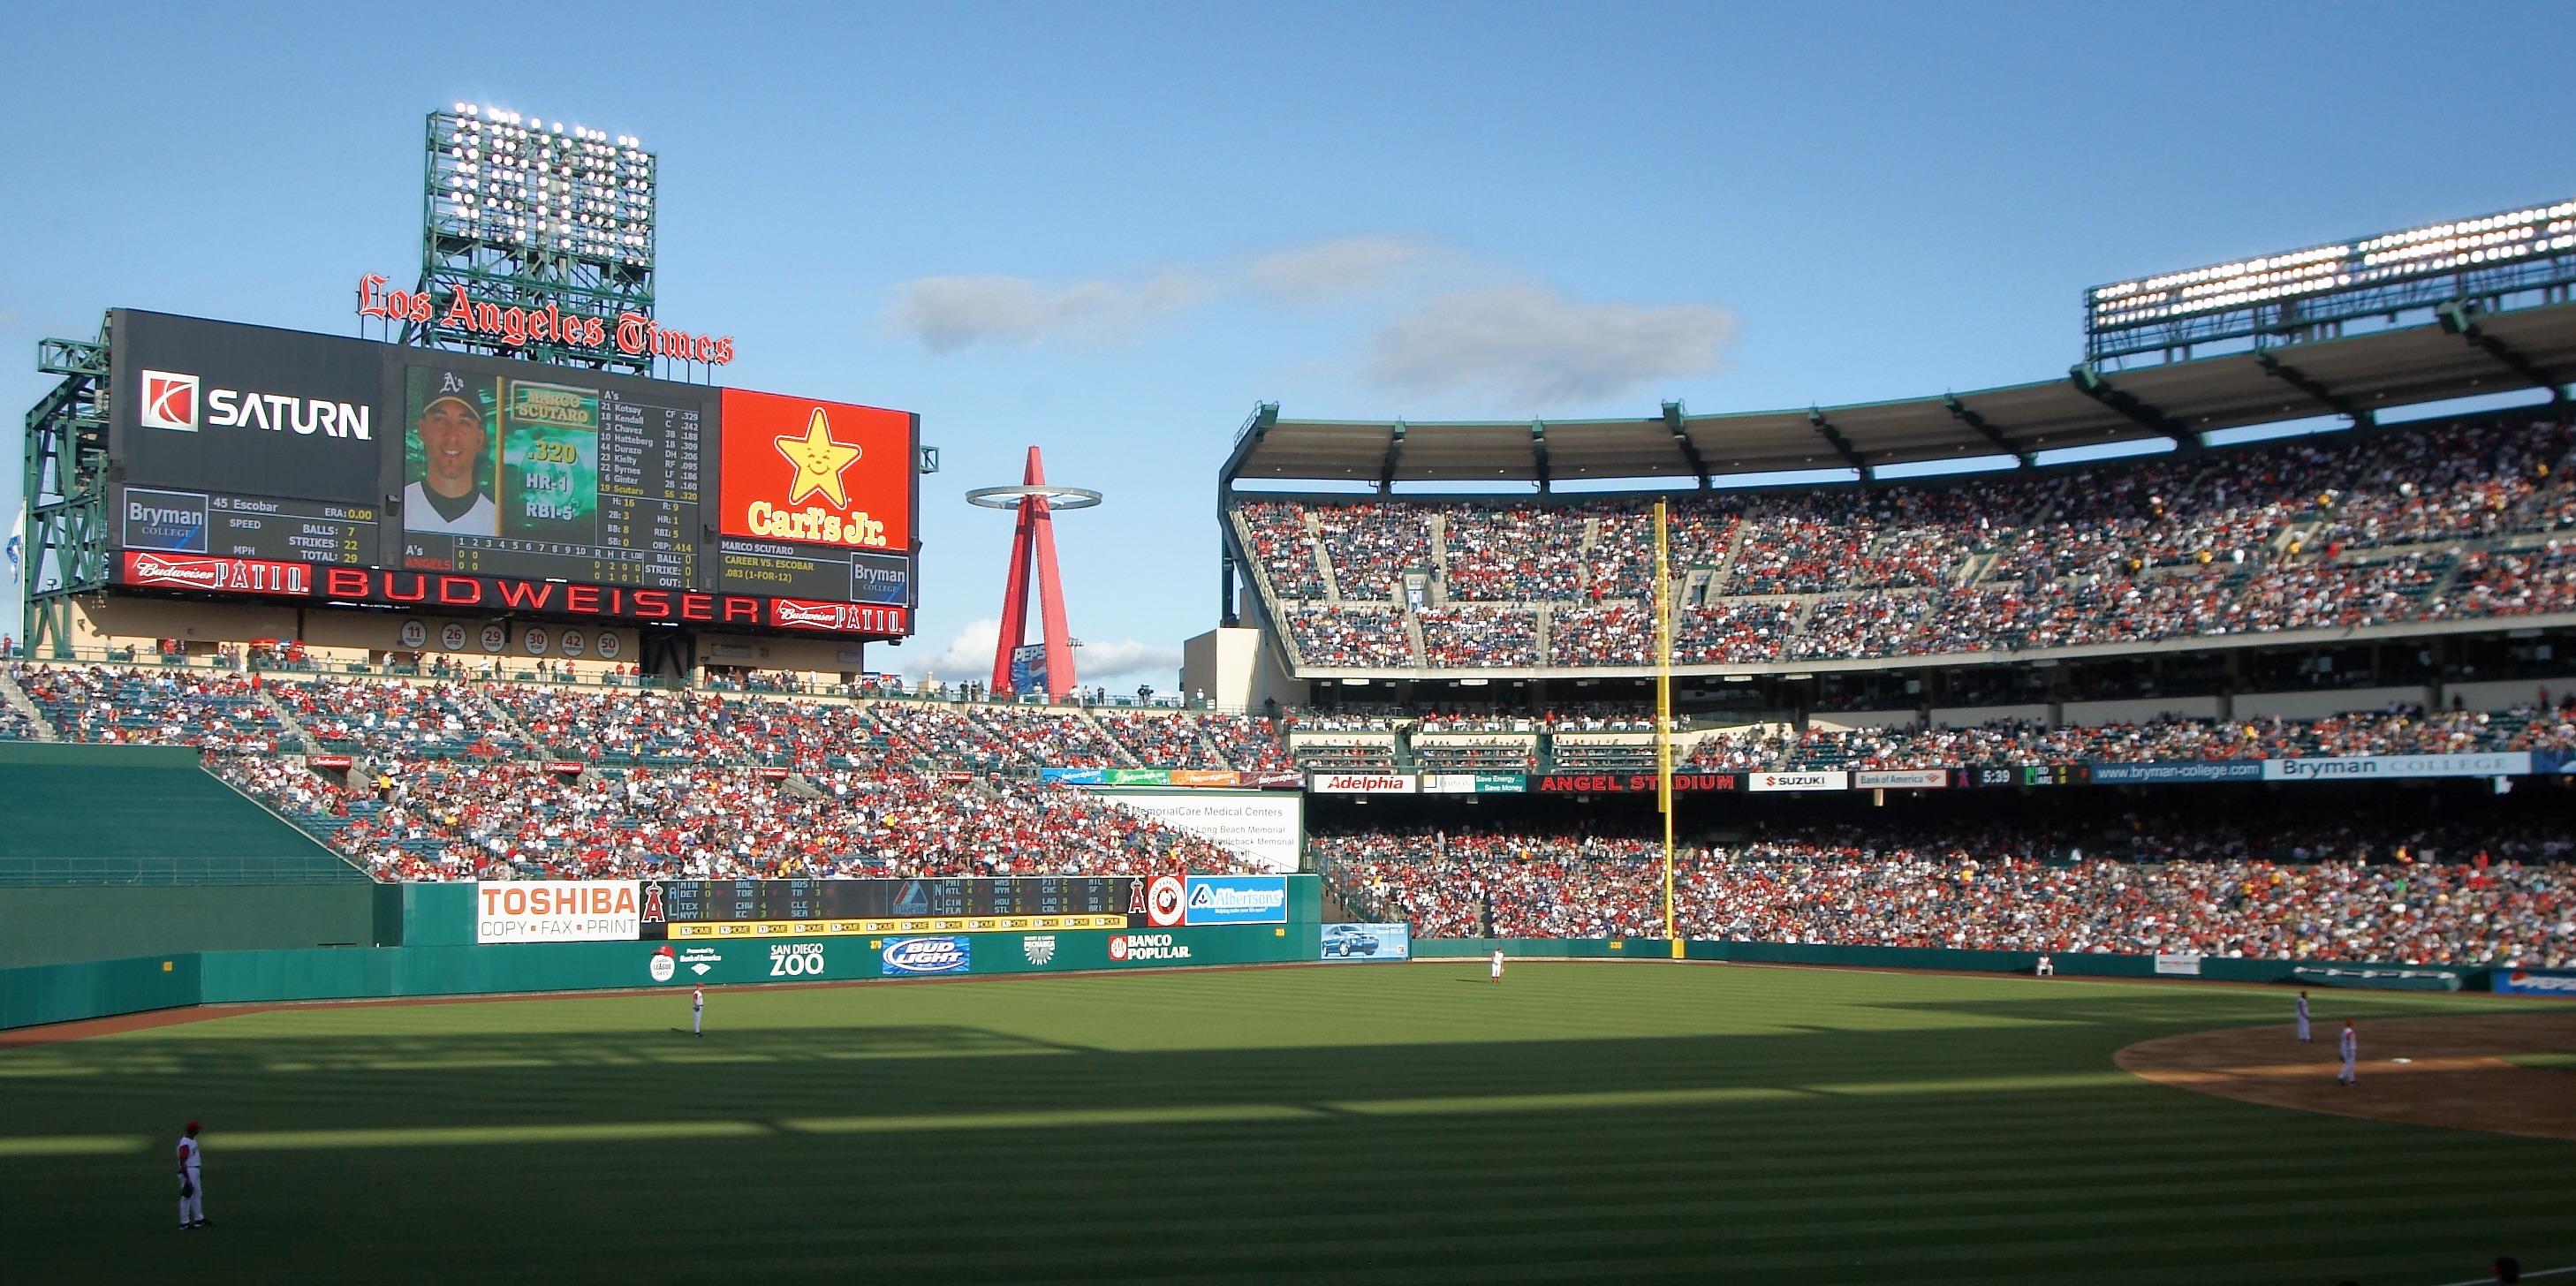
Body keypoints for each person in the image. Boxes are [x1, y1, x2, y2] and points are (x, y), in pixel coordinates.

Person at [404, 375, 498, 536]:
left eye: (464, 422)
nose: (452, 435)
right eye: (440, 420)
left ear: (480, 438)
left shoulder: (497, 523)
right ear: (422, 430)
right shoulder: (398, 507)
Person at [175, 1120, 205, 1229]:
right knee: (187, 1196)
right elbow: (182, 1160)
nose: (199, 1130)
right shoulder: (185, 1143)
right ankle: (184, 1222)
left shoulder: (192, 1141)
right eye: (198, 1129)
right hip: (188, 1171)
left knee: (197, 1194)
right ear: (194, 1130)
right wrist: (186, 1176)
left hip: (194, 1170)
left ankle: (199, 1219)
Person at [2337, 1019, 2358, 1086]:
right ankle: (2341, 1077)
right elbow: (2350, 1042)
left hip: (2344, 1050)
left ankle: (2352, 1080)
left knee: (2349, 1065)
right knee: (2350, 1065)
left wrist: (2341, 1052)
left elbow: (2342, 1042)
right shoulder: (2350, 1032)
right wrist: (2350, 1051)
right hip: (2349, 1050)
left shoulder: (2344, 1031)